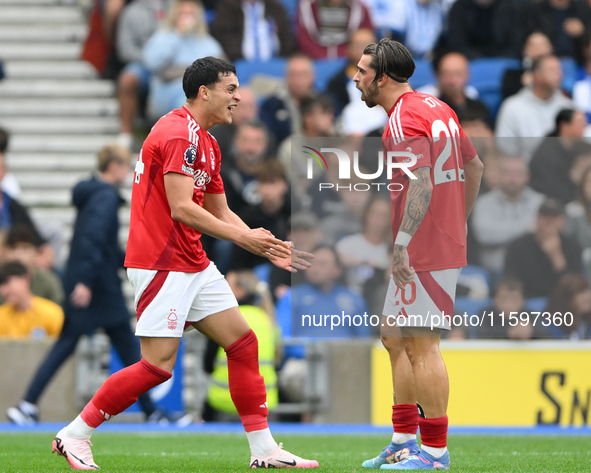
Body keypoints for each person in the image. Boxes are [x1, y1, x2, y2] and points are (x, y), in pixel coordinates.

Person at [51, 57, 318, 470]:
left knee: (243, 344)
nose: (239, 97)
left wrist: (260, 242)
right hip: (162, 262)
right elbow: (181, 209)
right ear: (204, 92)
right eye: (231, 89)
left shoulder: (206, 142)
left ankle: (264, 450)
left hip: (190, 259)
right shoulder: (179, 134)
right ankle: (74, 434)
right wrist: (242, 237)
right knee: (157, 367)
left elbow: (219, 210)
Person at [353, 39, 483, 470]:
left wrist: (404, 244)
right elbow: (475, 166)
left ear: (382, 78)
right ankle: (403, 438)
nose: (356, 78)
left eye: (362, 71)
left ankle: (434, 453)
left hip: (421, 246)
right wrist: (457, 218)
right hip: (436, 237)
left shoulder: (400, 120)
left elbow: (422, 184)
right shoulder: (436, 106)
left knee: (423, 346)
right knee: (394, 336)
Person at [6, 144, 168, 426]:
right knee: (127, 349)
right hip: (98, 288)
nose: (128, 172)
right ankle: (152, 412)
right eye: (126, 166)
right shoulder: (104, 197)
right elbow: (91, 241)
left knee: (85, 345)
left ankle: (27, 404)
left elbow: (100, 245)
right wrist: (85, 281)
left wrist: (131, 262)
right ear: (114, 166)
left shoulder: (93, 193)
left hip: (96, 283)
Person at [143, 0, 225, 120]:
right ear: (174, 15)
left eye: (190, 14)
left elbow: (221, 67)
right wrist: (177, 35)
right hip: (168, 93)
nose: (186, 18)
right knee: (191, 103)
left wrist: (180, 70)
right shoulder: (163, 37)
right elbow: (152, 64)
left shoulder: (206, 41)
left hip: (201, 94)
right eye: (182, 14)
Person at [471, 155, 545, 278]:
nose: (513, 178)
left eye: (518, 173)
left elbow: (543, 234)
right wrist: (527, 228)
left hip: (532, 272)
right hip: (495, 272)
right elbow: (484, 235)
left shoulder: (540, 203)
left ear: (527, 176)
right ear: (499, 175)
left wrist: (502, 231)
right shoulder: (483, 203)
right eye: (507, 172)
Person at [496, 54, 574, 161]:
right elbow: (505, 150)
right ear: (537, 75)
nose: (559, 75)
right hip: (524, 172)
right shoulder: (512, 107)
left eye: (559, 70)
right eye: (552, 70)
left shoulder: (568, 105)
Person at [115, 0, 168, 149]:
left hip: (172, 64)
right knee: (127, 79)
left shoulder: (177, 8)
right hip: (143, 63)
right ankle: (125, 134)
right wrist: (151, 60)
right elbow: (125, 49)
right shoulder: (131, 12)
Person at [504, 197, 583, 299]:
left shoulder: (573, 246)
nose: (549, 221)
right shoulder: (517, 246)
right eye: (545, 216)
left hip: (563, 303)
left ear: (563, 221)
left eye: (554, 217)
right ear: (537, 219)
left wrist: (556, 256)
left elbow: (574, 288)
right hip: (526, 302)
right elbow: (512, 281)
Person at [529, 108, 589, 204]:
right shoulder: (546, 154)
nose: (584, 126)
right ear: (564, 126)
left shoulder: (583, 148)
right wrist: (573, 179)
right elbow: (550, 189)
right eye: (579, 123)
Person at [210, 0, 294, 62]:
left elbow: (287, 38)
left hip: (276, 62)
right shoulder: (227, 8)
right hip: (238, 62)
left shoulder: (276, 8)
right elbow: (224, 37)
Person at [0, 261, 63, 340]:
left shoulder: (52, 312)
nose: (3, 291)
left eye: (7, 283)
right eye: (1, 285)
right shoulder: (1, 316)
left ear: (25, 280)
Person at [296, 0, 374, 59]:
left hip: (350, 61)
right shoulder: (306, 7)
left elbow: (368, 37)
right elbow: (304, 41)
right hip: (314, 60)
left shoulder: (360, 9)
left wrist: (347, 54)